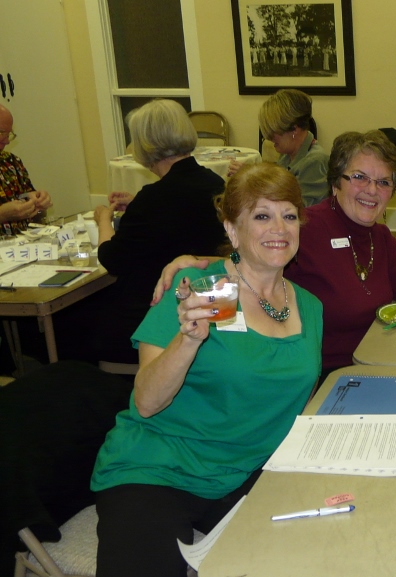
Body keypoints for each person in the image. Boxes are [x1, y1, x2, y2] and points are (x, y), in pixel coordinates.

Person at [91, 163, 323, 577]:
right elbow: (146, 402)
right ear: (232, 229)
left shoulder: (309, 306)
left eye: (289, 216)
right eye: (262, 215)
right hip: (159, 469)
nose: (279, 228)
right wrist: (188, 340)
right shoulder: (202, 288)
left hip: (249, 473)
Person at [154, 130, 396, 377]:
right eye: (359, 177)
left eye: (383, 182)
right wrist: (197, 265)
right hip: (321, 375)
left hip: (373, 363)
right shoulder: (304, 228)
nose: (372, 190)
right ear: (336, 182)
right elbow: (252, 263)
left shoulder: (380, 237)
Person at [59, 99, 226, 365]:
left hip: (158, 315)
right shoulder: (215, 183)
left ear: (145, 144)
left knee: (70, 318)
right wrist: (137, 204)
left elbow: (112, 259)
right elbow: (179, 218)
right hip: (209, 307)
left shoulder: (153, 198)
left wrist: (104, 220)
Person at [230, 89, 328, 206]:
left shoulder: (315, 162)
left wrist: (253, 180)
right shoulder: (288, 155)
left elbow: (300, 209)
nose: (269, 138)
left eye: (274, 132)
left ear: (294, 130)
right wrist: (250, 173)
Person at [0, 104, 53, 235]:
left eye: (9, 134)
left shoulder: (11, 162)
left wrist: (38, 202)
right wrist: (2, 214)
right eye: (1, 133)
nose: (7, 141)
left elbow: (36, 214)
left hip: (25, 242)